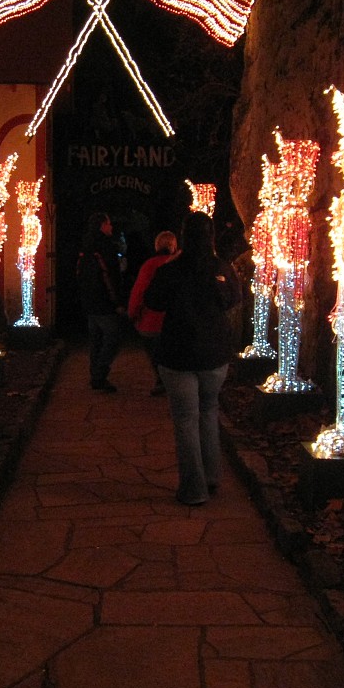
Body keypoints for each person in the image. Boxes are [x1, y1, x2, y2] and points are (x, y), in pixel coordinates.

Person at [144, 210, 243, 505]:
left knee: (186, 420)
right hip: (214, 354)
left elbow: (153, 301)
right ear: (211, 235)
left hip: (178, 354)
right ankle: (212, 476)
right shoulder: (220, 267)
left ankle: (194, 488)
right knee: (209, 412)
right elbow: (234, 299)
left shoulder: (171, 270)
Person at [76, 211, 126, 391]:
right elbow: (111, 276)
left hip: (89, 301)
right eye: (109, 223)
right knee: (113, 337)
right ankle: (99, 374)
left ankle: (95, 374)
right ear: (102, 226)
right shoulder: (106, 247)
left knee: (96, 339)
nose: (111, 226)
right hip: (104, 301)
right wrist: (118, 301)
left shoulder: (86, 247)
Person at [127, 230, 178, 395]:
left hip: (150, 323)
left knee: (156, 353)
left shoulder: (149, 265)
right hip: (175, 321)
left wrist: (133, 314)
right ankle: (168, 382)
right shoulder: (177, 264)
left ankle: (162, 380)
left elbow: (139, 292)